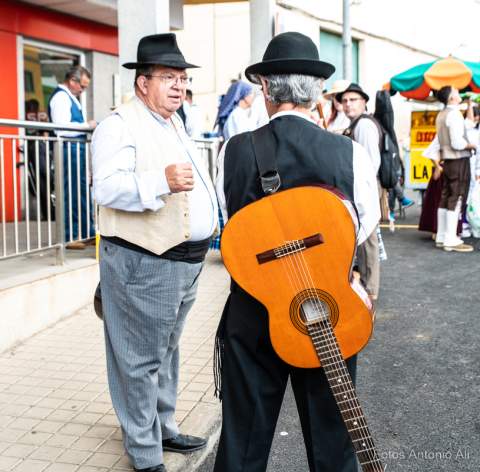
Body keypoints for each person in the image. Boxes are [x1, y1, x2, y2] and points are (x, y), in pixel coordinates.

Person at [213, 32, 380, 472]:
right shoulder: (349, 153)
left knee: (243, 441)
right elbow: (362, 226)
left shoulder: (233, 151)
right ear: (318, 90)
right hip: (326, 310)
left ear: (266, 88)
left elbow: (232, 225)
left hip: (254, 310)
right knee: (333, 441)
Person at [92, 33, 218, 472]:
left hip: (182, 262)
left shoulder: (172, 122)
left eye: (182, 78)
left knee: (167, 351)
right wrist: (160, 181)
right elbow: (105, 188)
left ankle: (162, 428)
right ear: (143, 83)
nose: (179, 86)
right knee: (138, 359)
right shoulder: (119, 125)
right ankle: (145, 453)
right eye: (168, 77)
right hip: (145, 262)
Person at [337, 83, 385, 301]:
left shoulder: (364, 125)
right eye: (345, 100)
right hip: (361, 186)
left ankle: (370, 288)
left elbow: (372, 161)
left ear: (364, 101)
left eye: (353, 100)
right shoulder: (357, 123)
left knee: (368, 236)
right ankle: (367, 284)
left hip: (365, 186)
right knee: (363, 235)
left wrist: (362, 190)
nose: (348, 104)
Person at [48, 65, 97, 249]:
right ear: (72, 81)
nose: (83, 90)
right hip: (68, 149)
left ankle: (86, 232)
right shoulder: (61, 97)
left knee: (81, 191)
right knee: (71, 192)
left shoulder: (69, 97)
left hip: (76, 150)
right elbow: (61, 128)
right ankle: (70, 236)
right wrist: (87, 125)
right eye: (82, 86)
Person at [433, 86, 476, 252]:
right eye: (456, 92)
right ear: (451, 98)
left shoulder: (442, 114)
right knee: (456, 197)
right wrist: (472, 145)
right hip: (458, 160)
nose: (459, 94)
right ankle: (450, 238)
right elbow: (457, 143)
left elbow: (468, 124)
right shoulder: (455, 114)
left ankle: (442, 236)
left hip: (447, 161)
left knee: (446, 196)